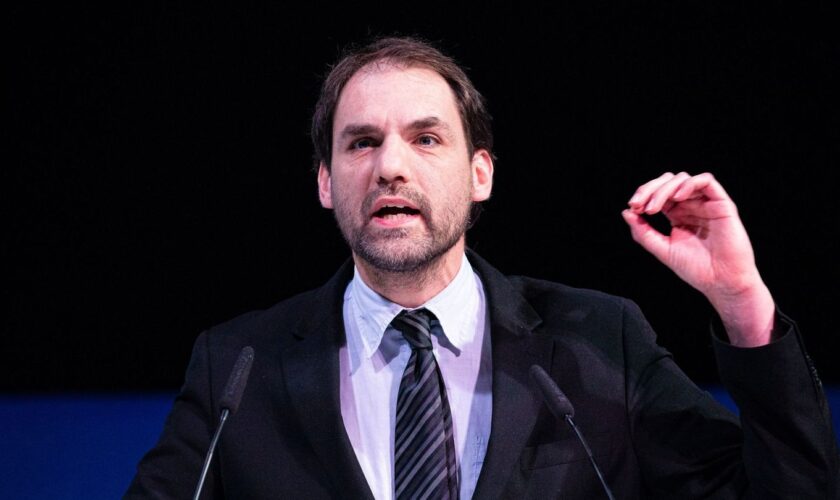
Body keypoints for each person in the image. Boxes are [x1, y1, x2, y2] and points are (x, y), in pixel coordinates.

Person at [125, 35, 839, 499]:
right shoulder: (239, 367)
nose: (391, 167)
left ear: (480, 174)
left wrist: (743, 304)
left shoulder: (597, 342)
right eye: (361, 143)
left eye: (426, 138)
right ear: (324, 181)